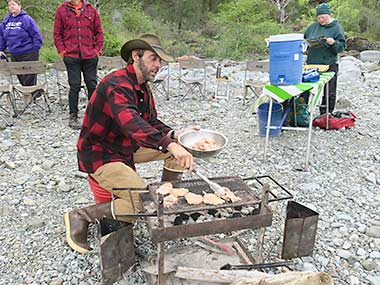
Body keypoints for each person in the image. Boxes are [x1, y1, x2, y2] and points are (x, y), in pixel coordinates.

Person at [64, 34, 197, 254]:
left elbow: (150, 121)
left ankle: (168, 201)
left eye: (160, 61)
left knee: (176, 151)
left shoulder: (142, 85)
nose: (158, 65)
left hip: (126, 146)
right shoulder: (116, 83)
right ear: (136, 56)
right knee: (143, 202)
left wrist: (174, 135)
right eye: (154, 59)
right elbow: (131, 123)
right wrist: (168, 144)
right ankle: (82, 215)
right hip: (102, 153)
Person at [53, 0, 104, 129]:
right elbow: (57, 34)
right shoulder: (61, 10)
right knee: (74, 85)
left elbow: (99, 32)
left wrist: (97, 50)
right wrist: (62, 52)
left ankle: (95, 115)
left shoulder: (91, 10)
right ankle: (73, 115)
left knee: (92, 84)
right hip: (71, 55)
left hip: (90, 55)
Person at [304, 2, 346, 114]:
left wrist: (333, 43)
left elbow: (341, 47)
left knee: (329, 91)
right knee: (305, 88)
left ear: (328, 15)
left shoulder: (337, 28)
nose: (320, 20)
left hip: (329, 63)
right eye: (318, 17)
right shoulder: (312, 27)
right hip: (312, 63)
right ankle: (302, 111)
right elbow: (303, 41)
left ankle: (326, 113)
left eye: (322, 17)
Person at [0, 0, 42, 87]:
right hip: (14, 53)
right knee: (20, 76)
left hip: (28, 52)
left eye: (13, 4)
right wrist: (1, 49)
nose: (11, 6)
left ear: (19, 6)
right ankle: (29, 94)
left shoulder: (26, 19)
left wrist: (35, 49)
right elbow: (2, 36)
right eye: (9, 5)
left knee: (29, 76)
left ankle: (31, 96)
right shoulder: (6, 21)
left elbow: (36, 34)